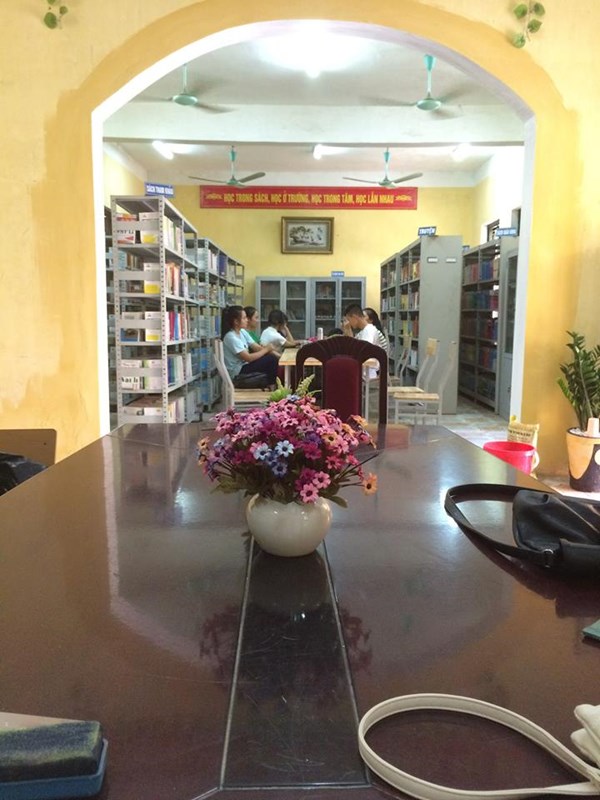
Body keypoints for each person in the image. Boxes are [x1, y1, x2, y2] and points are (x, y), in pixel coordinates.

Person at [221, 305, 279, 386]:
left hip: (244, 365)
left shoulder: (242, 332)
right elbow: (248, 357)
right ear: (236, 321)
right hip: (237, 372)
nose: (247, 320)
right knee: (271, 360)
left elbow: (256, 347)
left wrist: (271, 351)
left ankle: (271, 385)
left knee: (270, 358)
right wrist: (266, 349)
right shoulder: (231, 337)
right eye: (244, 318)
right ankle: (272, 386)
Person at [342, 303, 386, 379]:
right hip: (364, 368)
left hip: (368, 371)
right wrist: (348, 331)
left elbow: (363, 352)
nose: (348, 323)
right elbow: (353, 346)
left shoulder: (369, 331)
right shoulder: (363, 331)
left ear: (354, 317)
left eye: (348, 320)